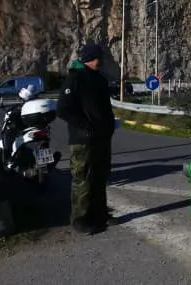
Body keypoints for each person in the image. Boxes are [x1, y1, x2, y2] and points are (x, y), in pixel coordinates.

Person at [56, 41, 117, 234]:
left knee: (100, 176)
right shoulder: (75, 79)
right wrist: (85, 126)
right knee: (83, 178)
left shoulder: (100, 80)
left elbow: (105, 109)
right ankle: (80, 219)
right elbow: (63, 110)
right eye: (98, 57)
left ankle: (100, 214)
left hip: (102, 138)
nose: (101, 61)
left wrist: (109, 128)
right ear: (90, 59)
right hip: (82, 140)